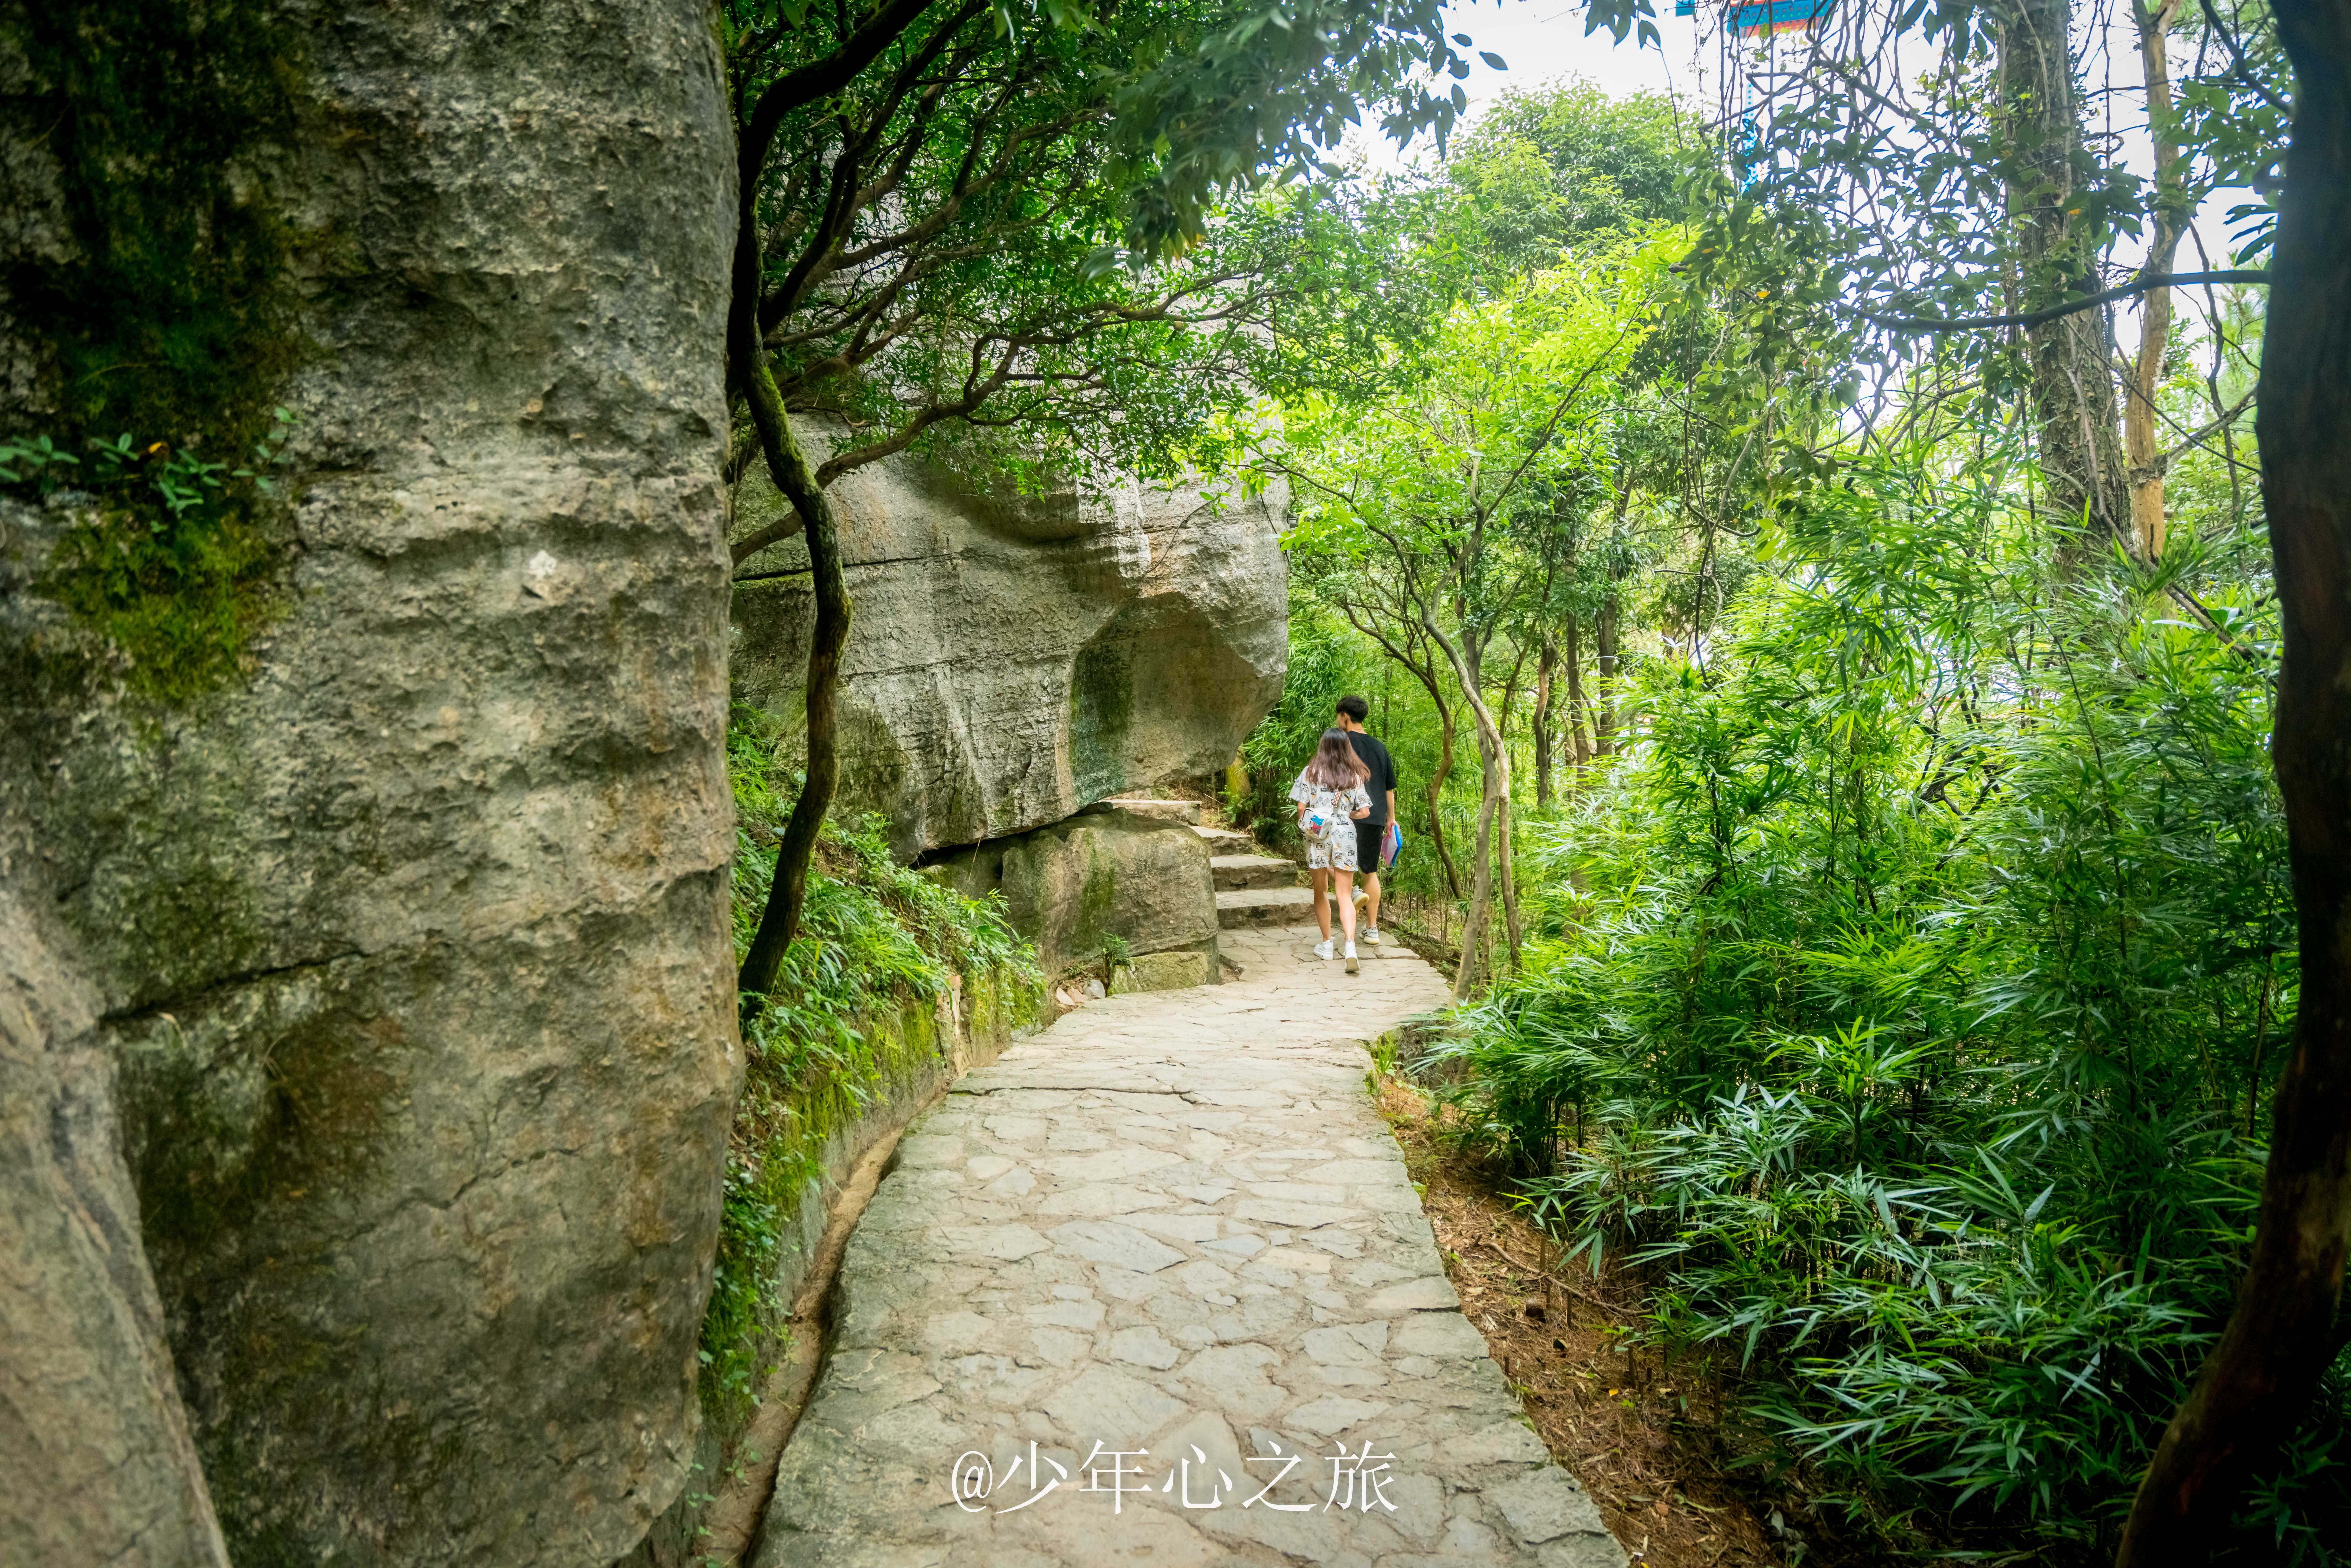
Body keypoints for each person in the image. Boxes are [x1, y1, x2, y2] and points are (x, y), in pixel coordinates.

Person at [1289, 728, 1373, 973]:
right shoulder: (1354, 777)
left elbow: (1301, 809)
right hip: (1345, 834)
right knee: (1345, 895)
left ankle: (1326, 944)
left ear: (1323, 747)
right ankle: (1350, 946)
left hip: (1318, 835)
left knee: (1321, 892)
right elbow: (1365, 811)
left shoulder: (1310, 772)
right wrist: (1348, 815)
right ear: (1346, 748)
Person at [1333, 695, 1398, 947]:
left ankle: (1353, 893)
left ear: (1345, 717)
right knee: (1370, 872)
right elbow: (1389, 788)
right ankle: (1372, 930)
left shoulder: (1339, 742)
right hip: (1375, 816)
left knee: (1330, 861)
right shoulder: (1380, 747)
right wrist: (1390, 819)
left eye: (1339, 716)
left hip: (1345, 814)